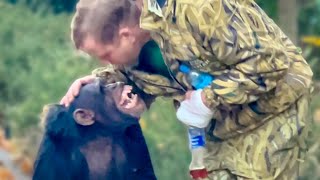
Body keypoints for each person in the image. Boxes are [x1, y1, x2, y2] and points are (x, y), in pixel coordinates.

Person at [60, 0, 314, 179]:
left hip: (274, 108)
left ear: (126, 35)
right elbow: (141, 77)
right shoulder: (138, 43)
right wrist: (95, 89)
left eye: (105, 55)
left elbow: (270, 63)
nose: (106, 64)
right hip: (222, 128)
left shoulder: (199, 9)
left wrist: (208, 98)